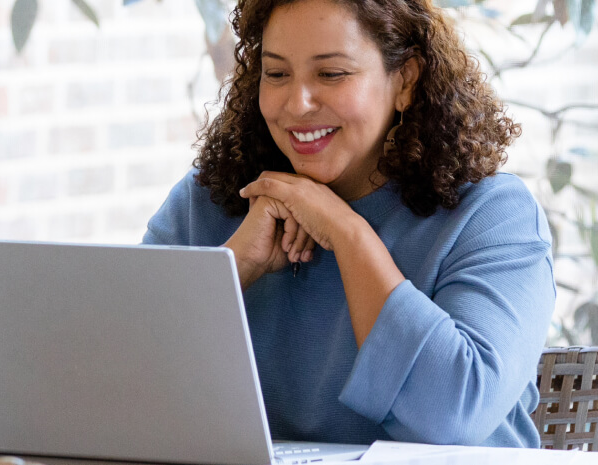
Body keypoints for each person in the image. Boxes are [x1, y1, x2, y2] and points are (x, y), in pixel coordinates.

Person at [142, 0, 553, 448]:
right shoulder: (209, 202)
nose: (297, 104)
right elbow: (115, 376)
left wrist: (348, 232)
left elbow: (454, 416)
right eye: (277, 74)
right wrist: (233, 264)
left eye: (331, 74)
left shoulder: (493, 216)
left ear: (406, 81)